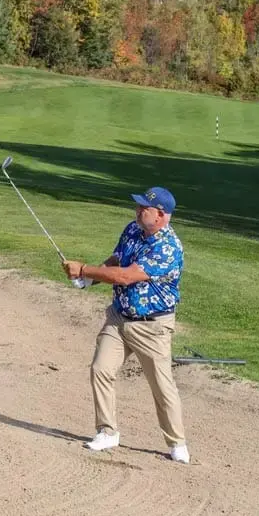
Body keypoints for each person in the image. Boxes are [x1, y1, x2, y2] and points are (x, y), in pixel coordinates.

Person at [62, 186, 190, 464]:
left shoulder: (168, 247)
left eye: (145, 207)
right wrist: (90, 279)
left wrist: (83, 269)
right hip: (119, 318)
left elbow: (126, 276)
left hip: (151, 327)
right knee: (101, 369)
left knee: (161, 386)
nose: (138, 210)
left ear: (161, 215)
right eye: (139, 205)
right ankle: (107, 432)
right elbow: (117, 260)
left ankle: (177, 443)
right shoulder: (133, 229)